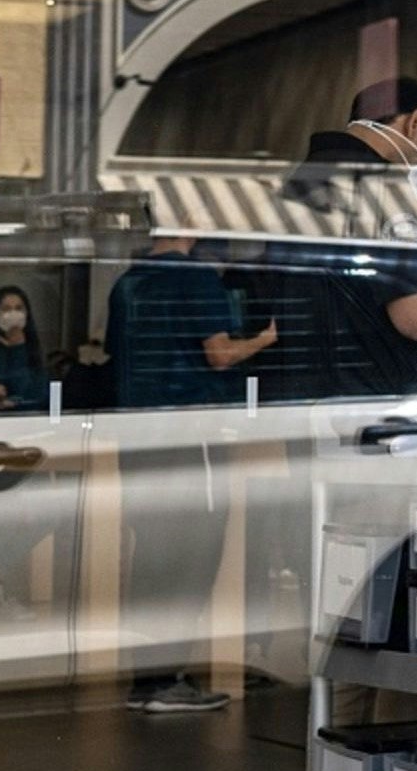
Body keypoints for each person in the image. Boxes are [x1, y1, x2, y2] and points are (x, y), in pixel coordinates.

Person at [104, 233, 283, 713]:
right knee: (193, 557)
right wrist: (265, 339)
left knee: (151, 559)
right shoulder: (195, 279)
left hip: (139, 439)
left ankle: (147, 678)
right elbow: (220, 354)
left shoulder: (127, 283)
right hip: (192, 436)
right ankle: (165, 679)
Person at [273, 76, 417, 400]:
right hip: (384, 405)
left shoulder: (296, 186)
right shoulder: (384, 189)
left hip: (304, 394)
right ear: (415, 121)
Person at [0, 284, 51, 415]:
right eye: (6, 309)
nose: (13, 314)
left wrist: (18, 347)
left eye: (18, 308)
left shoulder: (32, 347)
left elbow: (37, 394)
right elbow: (6, 393)